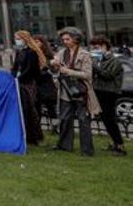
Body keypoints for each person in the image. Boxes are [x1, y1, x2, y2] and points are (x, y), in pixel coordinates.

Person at [50, 27, 100, 157]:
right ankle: (65, 146)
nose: (64, 41)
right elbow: (56, 71)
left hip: (82, 92)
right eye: (63, 39)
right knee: (65, 119)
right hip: (66, 91)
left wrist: (69, 71)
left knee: (84, 121)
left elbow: (88, 75)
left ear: (76, 39)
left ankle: (87, 150)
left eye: (67, 39)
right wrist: (54, 66)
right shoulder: (61, 53)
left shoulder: (85, 54)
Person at [90, 36, 127, 156]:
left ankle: (120, 146)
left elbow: (108, 74)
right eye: (94, 46)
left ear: (106, 45)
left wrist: (94, 65)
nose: (95, 49)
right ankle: (114, 143)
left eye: (98, 46)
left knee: (110, 119)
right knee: (105, 119)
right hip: (99, 90)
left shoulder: (115, 60)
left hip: (109, 92)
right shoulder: (99, 59)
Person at [12, 31, 46, 146]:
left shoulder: (32, 53)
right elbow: (15, 66)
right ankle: (25, 133)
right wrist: (13, 75)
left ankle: (34, 136)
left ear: (24, 39)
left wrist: (19, 77)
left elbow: (30, 69)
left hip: (28, 83)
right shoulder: (19, 52)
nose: (16, 40)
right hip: (20, 82)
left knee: (30, 109)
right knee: (23, 109)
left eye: (18, 38)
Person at [33, 35, 57, 122]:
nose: (35, 44)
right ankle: (37, 127)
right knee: (36, 106)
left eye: (37, 42)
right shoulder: (32, 53)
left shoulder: (48, 54)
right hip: (35, 83)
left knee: (50, 106)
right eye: (34, 41)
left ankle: (55, 126)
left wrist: (50, 65)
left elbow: (54, 70)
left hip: (46, 83)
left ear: (43, 43)